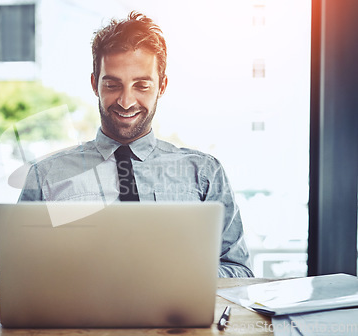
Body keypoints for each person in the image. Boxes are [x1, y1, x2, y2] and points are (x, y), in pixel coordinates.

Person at [19, 11, 254, 278]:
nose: (126, 101)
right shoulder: (45, 175)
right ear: (95, 83)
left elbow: (239, 271)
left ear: (162, 86)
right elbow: (17, 272)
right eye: (113, 84)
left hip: (176, 317)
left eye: (141, 85)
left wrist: (185, 276)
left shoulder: (204, 173)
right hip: (81, 318)